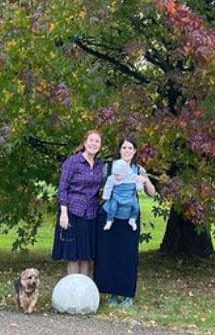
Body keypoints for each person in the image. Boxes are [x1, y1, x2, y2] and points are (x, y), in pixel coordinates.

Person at [94, 137, 156, 308]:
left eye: (130, 148)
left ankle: (127, 294)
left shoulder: (139, 169)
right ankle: (112, 293)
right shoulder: (109, 168)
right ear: (119, 150)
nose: (127, 150)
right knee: (109, 255)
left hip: (129, 218)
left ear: (135, 151)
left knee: (128, 257)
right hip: (110, 217)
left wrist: (145, 180)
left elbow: (152, 193)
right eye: (124, 147)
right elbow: (98, 189)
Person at [51, 130, 105, 277]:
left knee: (86, 256)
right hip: (73, 213)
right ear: (85, 142)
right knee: (73, 256)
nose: (93, 144)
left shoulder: (100, 165)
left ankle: (84, 295)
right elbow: (62, 188)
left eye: (97, 141)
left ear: (100, 146)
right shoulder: (73, 162)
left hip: (92, 214)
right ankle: (72, 293)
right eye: (91, 140)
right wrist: (63, 213)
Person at [101, 157, 144, 232]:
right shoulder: (112, 178)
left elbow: (138, 180)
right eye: (115, 175)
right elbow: (108, 187)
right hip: (116, 197)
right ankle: (109, 221)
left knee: (136, 207)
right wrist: (106, 196)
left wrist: (139, 187)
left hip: (130, 198)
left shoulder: (131, 176)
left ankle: (132, 219)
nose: (117, 177)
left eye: (119, 175)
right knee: (112, 207)